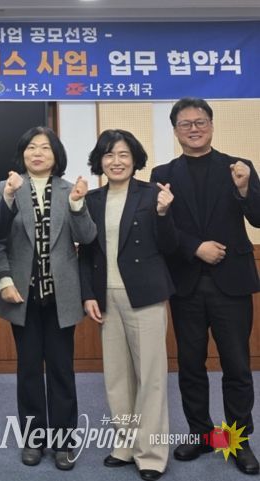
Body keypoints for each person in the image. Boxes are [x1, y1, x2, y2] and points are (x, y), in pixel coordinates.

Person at [150, 97, 260, 475]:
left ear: (211, 125)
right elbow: (162, 229)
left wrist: (245, 190)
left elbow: (258, 218)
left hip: (233, 283)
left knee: (237, 365)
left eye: (200, 122)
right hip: (187, 284)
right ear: (175, 130)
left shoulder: (238, 167)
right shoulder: (162, 174)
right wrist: (195, 247)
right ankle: (201, 434)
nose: (194, 129)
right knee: (191, 366)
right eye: (185, 124)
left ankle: (237, 441)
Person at [0, 126, 96, 471]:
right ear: (22, 154)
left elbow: (87, 237)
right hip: (22, 294)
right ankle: (34, 439)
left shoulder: (69, 190)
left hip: (61, 295)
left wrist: (78, 205)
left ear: (56, 155)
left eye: (45, 148)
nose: (37, 153)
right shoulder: (8, 187)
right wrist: (3, 279)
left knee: (62, 370)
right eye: (31, 147)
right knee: (28, 371)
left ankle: (64, 442)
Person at [79, 129, 177, 481]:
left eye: (123, 154)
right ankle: (126, 443)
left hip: (145, 295)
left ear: (135, 159)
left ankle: (151, 453)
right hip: (106, 296)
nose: (116, 161)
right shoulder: (92, 199)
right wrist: (88, 294)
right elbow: (86, 252)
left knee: (150, 377)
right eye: (109, 155)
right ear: (100, 161)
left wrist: (164, 214)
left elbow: (170, 246)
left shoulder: (153, 194)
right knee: (117, 377)